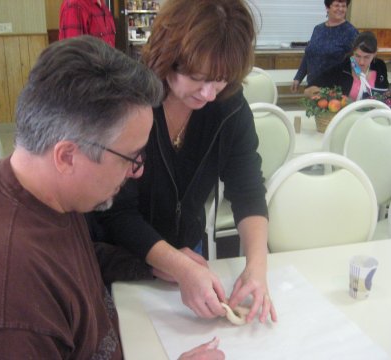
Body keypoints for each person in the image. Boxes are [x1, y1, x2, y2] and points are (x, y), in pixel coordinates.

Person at [0, 36, 224, 359]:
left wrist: (155, 267)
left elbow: (74, 262)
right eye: (130, 157)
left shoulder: (36, 189)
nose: (137, 172)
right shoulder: (5, 308)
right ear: (66, 157)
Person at [88, 0, 278, 325]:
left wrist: (256, 268)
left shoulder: (228, 106)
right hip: (124, 260)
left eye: (219, 79)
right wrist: (175, 263)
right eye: (196, 77)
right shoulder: (131, 102)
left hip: (189, 251)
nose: (208, 94)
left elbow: (248, 191)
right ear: (168, 56)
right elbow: (116, 211)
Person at [291, 0, 358, 93]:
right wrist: (298, 77)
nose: (341, 9)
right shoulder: (318, 29)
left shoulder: (351, 32)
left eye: (344, 6)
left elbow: (356, 59)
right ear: (327, 7)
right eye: (337, 5)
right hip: (313, 87)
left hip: (335, 90)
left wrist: (359, 81)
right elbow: (309, 55)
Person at [304, 31, 389, 101]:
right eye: (357, 56)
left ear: (375, 53)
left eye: (367, 57)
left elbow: (384, 93)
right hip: (345, 115)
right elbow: (308, 90)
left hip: (372, 115)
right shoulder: (342, 68)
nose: (361, 62)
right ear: (353, 52)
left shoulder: (380, 66)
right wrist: (329, 95)